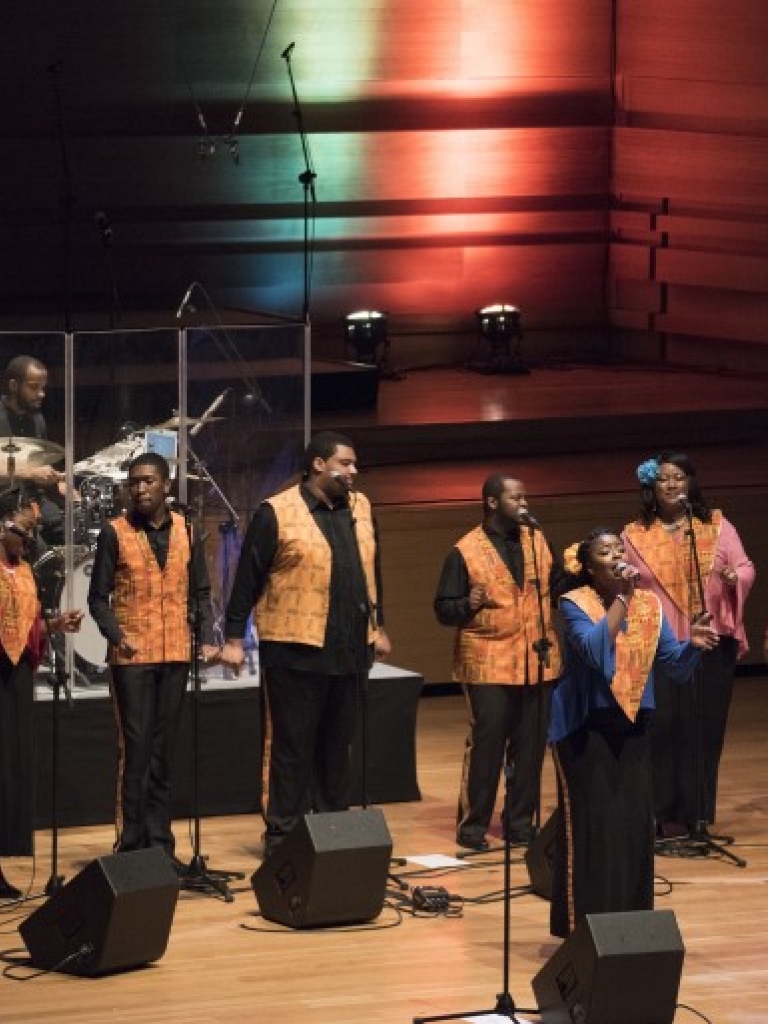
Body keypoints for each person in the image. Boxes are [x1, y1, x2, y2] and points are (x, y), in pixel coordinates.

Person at [219, 431, 391, 858]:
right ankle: (283, 835)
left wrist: (379, 625)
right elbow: (247, 580)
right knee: (292, 747)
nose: (354, 472)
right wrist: (235, 638)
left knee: (337, 747)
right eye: (346, 463)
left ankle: (332, 831)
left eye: (354, 465)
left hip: (350, 648)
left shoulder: (362, 508)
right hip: (294, 649)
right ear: (318, 464)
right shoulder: (276, 512)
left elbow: (373, 570)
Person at [549, 528, 719, 938]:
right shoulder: (575, 604)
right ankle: (582, 931)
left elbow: (675, 668)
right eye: (605, 552)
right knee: (593, 830)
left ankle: (630, 927)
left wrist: (692, 646)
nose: (616, 555)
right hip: (583, 728)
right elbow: (593, 649)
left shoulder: (650, 606)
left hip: (634, 726)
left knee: (632, 828)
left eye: (618, 549)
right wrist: (623, 599)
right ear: (590, 568)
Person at [87, 453, 219, 866]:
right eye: (134, 483)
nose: (139, 489)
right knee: (138, 748)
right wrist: (117, 636)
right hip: (132, 657)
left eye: (147, 481)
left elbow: (199, 591)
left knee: (164, 750)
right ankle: (131, 847)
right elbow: (97, 598)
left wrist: (204, 632)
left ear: (166, 485)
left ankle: (161, 846)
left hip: (176, 653)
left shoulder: (187, 530)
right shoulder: (114, 532)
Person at [621, 452, 754, 839]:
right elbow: (622, 581)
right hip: (660, 646)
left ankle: (696, 816)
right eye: (663, 478)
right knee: (662, 728)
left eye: (679, 477)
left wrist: (734, 576)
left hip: (710, 642)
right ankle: (661, 814)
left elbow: (746, 566)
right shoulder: (634, 534)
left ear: (690, 483)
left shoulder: (714, 526)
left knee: (704, 729)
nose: (672, 484)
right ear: (651, 486)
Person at [434, 475, 565, 852]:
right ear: (492, 502)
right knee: (488, 745)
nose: (524, 502)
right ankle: (473, 825)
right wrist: (467, 603)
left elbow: (556, 587)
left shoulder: (538, 540)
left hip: (536, 660)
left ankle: (521, 825)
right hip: (488, 660)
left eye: (525, 495)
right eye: (515, 497)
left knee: (530, 746)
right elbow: (444, 609)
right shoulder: (465, 550)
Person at [0, 487, 82, 901]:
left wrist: (54, 626)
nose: (28, 541)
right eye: (23, 531)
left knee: (10, 767)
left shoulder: (26, 570)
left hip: (16, 678)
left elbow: (26, 624)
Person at [0, 355, 66, 546]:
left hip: (32, 498)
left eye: (43, 388)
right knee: (37, 547)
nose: (41, 394)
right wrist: (30, 473)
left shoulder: (37, 420)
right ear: (13, 385)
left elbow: (39, 465)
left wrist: (58, 482)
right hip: (4, 502)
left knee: (69, 529)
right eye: (34, 387)